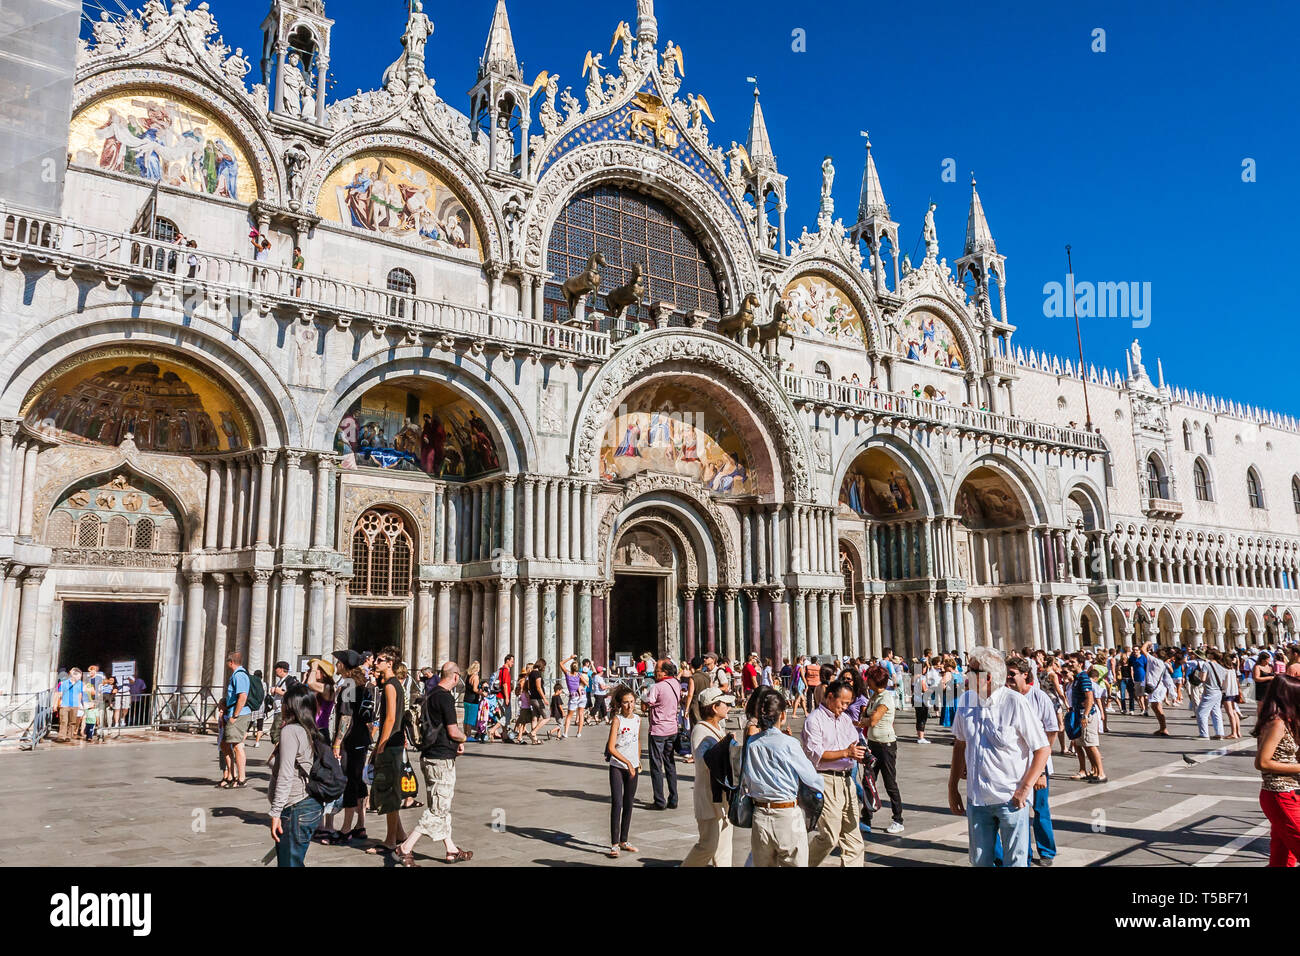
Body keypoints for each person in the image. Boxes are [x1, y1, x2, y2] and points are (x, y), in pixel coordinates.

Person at [948, 646, 1050, 868]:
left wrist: (1025, 788)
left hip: (1010, 798)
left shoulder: (1015, 703)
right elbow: (959, 745)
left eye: (972, 671)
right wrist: (952, 787)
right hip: (977, 799)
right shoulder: (966, 701)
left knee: (1015, 861)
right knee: (980, 861)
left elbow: (1042, 748)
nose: (967, 675)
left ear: (988, 677)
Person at [395, 662, 472, 866]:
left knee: (439, 805)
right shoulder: (446, 698)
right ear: (455, 677)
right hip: (441, 760)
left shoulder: (429, 695)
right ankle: (405, 848)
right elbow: (454, 731)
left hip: (428, 756)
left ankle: (451, 850)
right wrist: (463, 740)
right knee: (437, 809)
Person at [739, 688, 825, 867]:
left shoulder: (752, 744)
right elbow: (812, 779)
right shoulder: (790, 743)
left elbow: (745, 776)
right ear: (782, 715)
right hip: (786, 814)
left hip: (760, 814)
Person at [802, 680, 866, 867]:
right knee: (829, 835)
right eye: (843, 703)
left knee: (853, 837)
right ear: (830, 697)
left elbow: (854, 744)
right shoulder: (814, 720)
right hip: (826, 780)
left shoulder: (846, 719)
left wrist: (860, 754)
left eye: (848, 703)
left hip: (847, 780)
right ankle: (802, 864)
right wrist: (846, 753)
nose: (845, 707)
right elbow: (816, 755)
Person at [1007, 656, 1058, 866]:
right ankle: (1023, 853)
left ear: (1025, 675)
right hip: (1013, 767)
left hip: (1038, 767)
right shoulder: (1006, 697)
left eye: (1012, 674)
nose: (1008, 679)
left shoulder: (1039, 697)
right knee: (1016, 812)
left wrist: (1042, 771)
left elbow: (1051, 732)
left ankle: (1046, 851)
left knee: (1040, 810)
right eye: (1006, 674)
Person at [268, 684, 323, 867]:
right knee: (294, 861)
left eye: (284, 702)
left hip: (295, 807)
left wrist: (275, 812)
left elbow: (285, 774)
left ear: (290, 705)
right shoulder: (309, 729)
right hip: (310, 805)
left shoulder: (290, 731)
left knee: (289, 863)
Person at [681, 686, 735, 866]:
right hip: (708, 797)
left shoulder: (717, 728)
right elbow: (705, 761)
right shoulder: (701, 731)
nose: (728, 707)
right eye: (725, 704)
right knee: (708, 845)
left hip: (722, 797)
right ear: (714, 707)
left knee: (724, 848)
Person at [1253, 674, 1300, 866]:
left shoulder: (1285, 721)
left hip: (1286, 793)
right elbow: (1262, 762)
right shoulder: (1277, 723)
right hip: (1280, 794)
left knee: (1283, 855)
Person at [366, 646, 408, 857]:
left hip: (390, 744)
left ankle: (390, 840)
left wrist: (379, 744)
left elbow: (390, 718)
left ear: (390, 663)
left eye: (380, 660)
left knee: (389, 792)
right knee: (391, 790)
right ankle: (399, 833)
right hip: (395, 742)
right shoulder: (394, 685)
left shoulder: (391, 686)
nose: (376, 662)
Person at [327, 649, 370, 844]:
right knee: (357, 781)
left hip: (351, 740)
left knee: (350, 781)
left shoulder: (349, 685)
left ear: (344, 665)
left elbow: (346, 715)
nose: (336, 666)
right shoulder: (357, 683)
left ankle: (346, 828)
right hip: (360, 738)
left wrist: (337, 742)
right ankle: (360, 824)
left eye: (338, 663)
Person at [859, 664, 904, 834]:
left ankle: (898, 818)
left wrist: (865, 719)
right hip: (872, 743)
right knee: (868, 781)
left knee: (889, 782)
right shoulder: (873, 697)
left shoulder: (885, 698)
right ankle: (866, 817)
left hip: (886, 745)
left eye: (868, 679)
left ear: (874, 680)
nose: (866, 682)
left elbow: (872, 720)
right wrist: (865, 718)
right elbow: (865, 716)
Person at [606, 683, 643, 858]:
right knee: (618, 803)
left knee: (629, 803)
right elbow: (611, 747)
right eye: (626, 702)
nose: (629, 705)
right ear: (620, 704)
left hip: (633, 766)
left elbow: (637, 740)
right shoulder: (617, 720)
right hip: (618, 766)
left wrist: (638, 760)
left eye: (632, 701)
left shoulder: (637, 719)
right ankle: (614, 844)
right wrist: (627, 762)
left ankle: (624, 840)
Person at [643, 659, 682, 810]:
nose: (655, 672)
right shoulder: (676, 684)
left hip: (658, 730)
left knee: (656, 766)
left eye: (657, 669)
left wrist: (645, 689)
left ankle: (659, 801)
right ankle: (674, 799)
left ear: (664, 672)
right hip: (672, 729)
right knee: (670, 764)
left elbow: (646, 704)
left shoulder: (656, 687)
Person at [1068, 658, 1107, 782]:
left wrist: (1085, 715)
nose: (1070, 664)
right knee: (1085, 744)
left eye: (1072, 662)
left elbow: (1089, 697)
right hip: (1079, 714)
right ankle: (1094, 770)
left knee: (1091, 744)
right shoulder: (1077, 678)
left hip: (1086, 715)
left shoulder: (1083, 677)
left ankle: (1101, 773)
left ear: (1080, 664)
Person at [218, 652, 252, 788]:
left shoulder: (240, 675)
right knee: (225, 745)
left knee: (237, 746)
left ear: (231, 662)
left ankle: (242, 778)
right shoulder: (237, 675)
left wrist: (235, 715)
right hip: (233, 712)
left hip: (239, 714)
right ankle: (231, 775)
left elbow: (242, 696)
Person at [1194, 648, 1229, 740]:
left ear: (1212, 655)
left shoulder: (1206, 665)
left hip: (1209, 691)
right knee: (1216, 712)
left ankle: (1204, 734)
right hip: (1218, 691)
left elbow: (1203, 678)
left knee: (1201, 713)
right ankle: (1220, 733)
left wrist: (1198, 674)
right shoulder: (1221, 667)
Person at [1143, 643, 1174, 735]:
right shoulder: (1162, 663)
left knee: (1157, 708)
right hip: (1159, 687)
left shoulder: (1154, 661)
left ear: (1156, 655)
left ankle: (1164, 728)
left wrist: (1147, 643)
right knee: (1155, 706)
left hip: (1155, 688)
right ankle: (1162, 728)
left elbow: (1142, 650)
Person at [560, 654, 588, 738]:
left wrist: (570, 658)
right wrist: (580, 686)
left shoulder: (567, 674)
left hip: (573, 696)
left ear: (571, 667)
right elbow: (586, 684)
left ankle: (566, 733)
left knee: (569, 715)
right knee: (581, 714)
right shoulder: (579, 675)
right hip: (582, 695)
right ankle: (579, 733)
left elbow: (561, 663)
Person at [267, 661, 293, 746]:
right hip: (278, 710)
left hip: (282, 710)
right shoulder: (281, 681)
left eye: (276, 669)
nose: (275, 671)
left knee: (275, 733)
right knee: (278, 733)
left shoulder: (289, 680)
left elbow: (292, 694)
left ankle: (280, 751)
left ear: (281, 669)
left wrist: (280, 692)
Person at [55, 668, 84, 743]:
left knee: (72, 722)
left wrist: (79, 704)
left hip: (75, 705)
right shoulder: (64, 683)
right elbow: (59, 694)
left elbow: (80, 694)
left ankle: (69, 736)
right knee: (63, 720)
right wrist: (55, 704)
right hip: (65, 704)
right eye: (78, 676)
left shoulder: (80, 683)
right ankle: (62, 736)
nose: (79, 678)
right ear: (74, 675)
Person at [463, 661, 483, 741]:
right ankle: (469, 735)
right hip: (472, 700)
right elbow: (475, 689)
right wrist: (481, 692)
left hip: (466, 699)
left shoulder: (468, 676)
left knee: (466, 718)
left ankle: (465, 734)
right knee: (471, 718)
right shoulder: (475, 677)